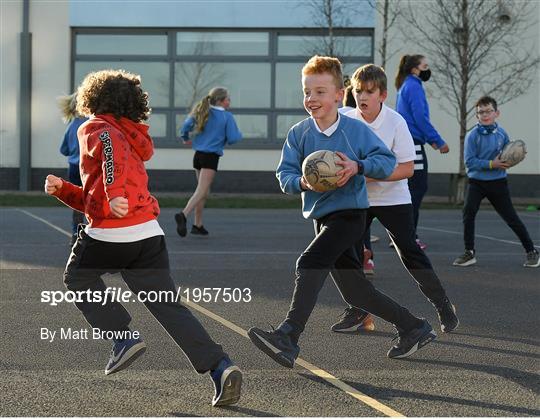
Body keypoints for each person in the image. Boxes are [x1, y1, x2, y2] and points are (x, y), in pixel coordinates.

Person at [44, 70, 242, 407]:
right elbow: (95, 200)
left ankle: (122, 339)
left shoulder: (95, 128)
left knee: (77, 277)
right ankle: (220, 366)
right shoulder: (132, 135)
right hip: (147, 235)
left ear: (93, 100)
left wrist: (115, 192)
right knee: (167, 306)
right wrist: (64, 190)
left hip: (111, 234)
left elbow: (109, 154)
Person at [247, 55, 437, 368]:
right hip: (322, 217)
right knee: (356, 292)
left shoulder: (354, 131)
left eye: (320, 92)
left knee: (308, 262)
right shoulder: (299, 134)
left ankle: (288, 336)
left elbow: (387, 162)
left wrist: (357, 166)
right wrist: (304, 183)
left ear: (339, 95)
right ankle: (414, 327)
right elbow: (285, 176)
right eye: (307, 92)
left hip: (350, 214)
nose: (312, 98)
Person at [330, 64, 458, 334]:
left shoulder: (396, 122)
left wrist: (365, 173)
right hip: (358, 199)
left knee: (411, 255)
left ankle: (443, 305)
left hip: (393, 199)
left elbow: (407, 169)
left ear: (382, 95)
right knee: (348, 253)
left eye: (368, 91)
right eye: (357, 91)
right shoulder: (344, 118)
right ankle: (358, 309)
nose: (362, 96)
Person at [453, 96, 540, 268]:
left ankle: (532, 251)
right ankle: (469, 252)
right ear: (477, 116)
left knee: (511, 218)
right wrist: (492, 164)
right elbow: (469, 162)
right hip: (476, 183)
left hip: (498, 183)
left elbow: (508, 155)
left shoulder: (502, 134)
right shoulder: (472, 136)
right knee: (468, 214)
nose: (485, 115)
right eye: (481, 112)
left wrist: (516, 157)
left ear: (496, 113)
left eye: (488, 111)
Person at [395, 54, 449, 250]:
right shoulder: (414, 87)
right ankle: (408, 236)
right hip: (414, 143)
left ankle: (403, 235)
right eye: (425, 66)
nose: (427, 69)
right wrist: (437, 140)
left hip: (411, 141)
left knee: (409, 190)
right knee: (416, 190)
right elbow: (420, 117)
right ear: (414, 69)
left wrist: (430, 140)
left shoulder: (404, 86)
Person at [175, 87, 242, 237]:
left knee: (203, 192)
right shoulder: (226, 117)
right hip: (210, 157)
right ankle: (183, 215)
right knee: (201, 191)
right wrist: (238, 135)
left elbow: (185, 127)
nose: (229, 102)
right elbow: (233, 138)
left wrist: (185, 138)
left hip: (198, 155)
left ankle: (197, 225)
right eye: (227, 99)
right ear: (220, 100)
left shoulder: (201, 111)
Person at [339, 85, 375, 275]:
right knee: (362, 217)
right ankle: (366, 259)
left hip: (338, 174)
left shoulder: (338, 115)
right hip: (360, 172)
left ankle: (354, 256)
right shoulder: (364, 120)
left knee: (341, 220)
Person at [58, 93, 88, 245]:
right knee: (92, 199)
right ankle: (92, 232)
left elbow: (63, 149)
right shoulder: (91, 124)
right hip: (88, 168)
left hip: (73, 168)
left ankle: (76, 233)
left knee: (77, 201)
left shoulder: (71, 126)